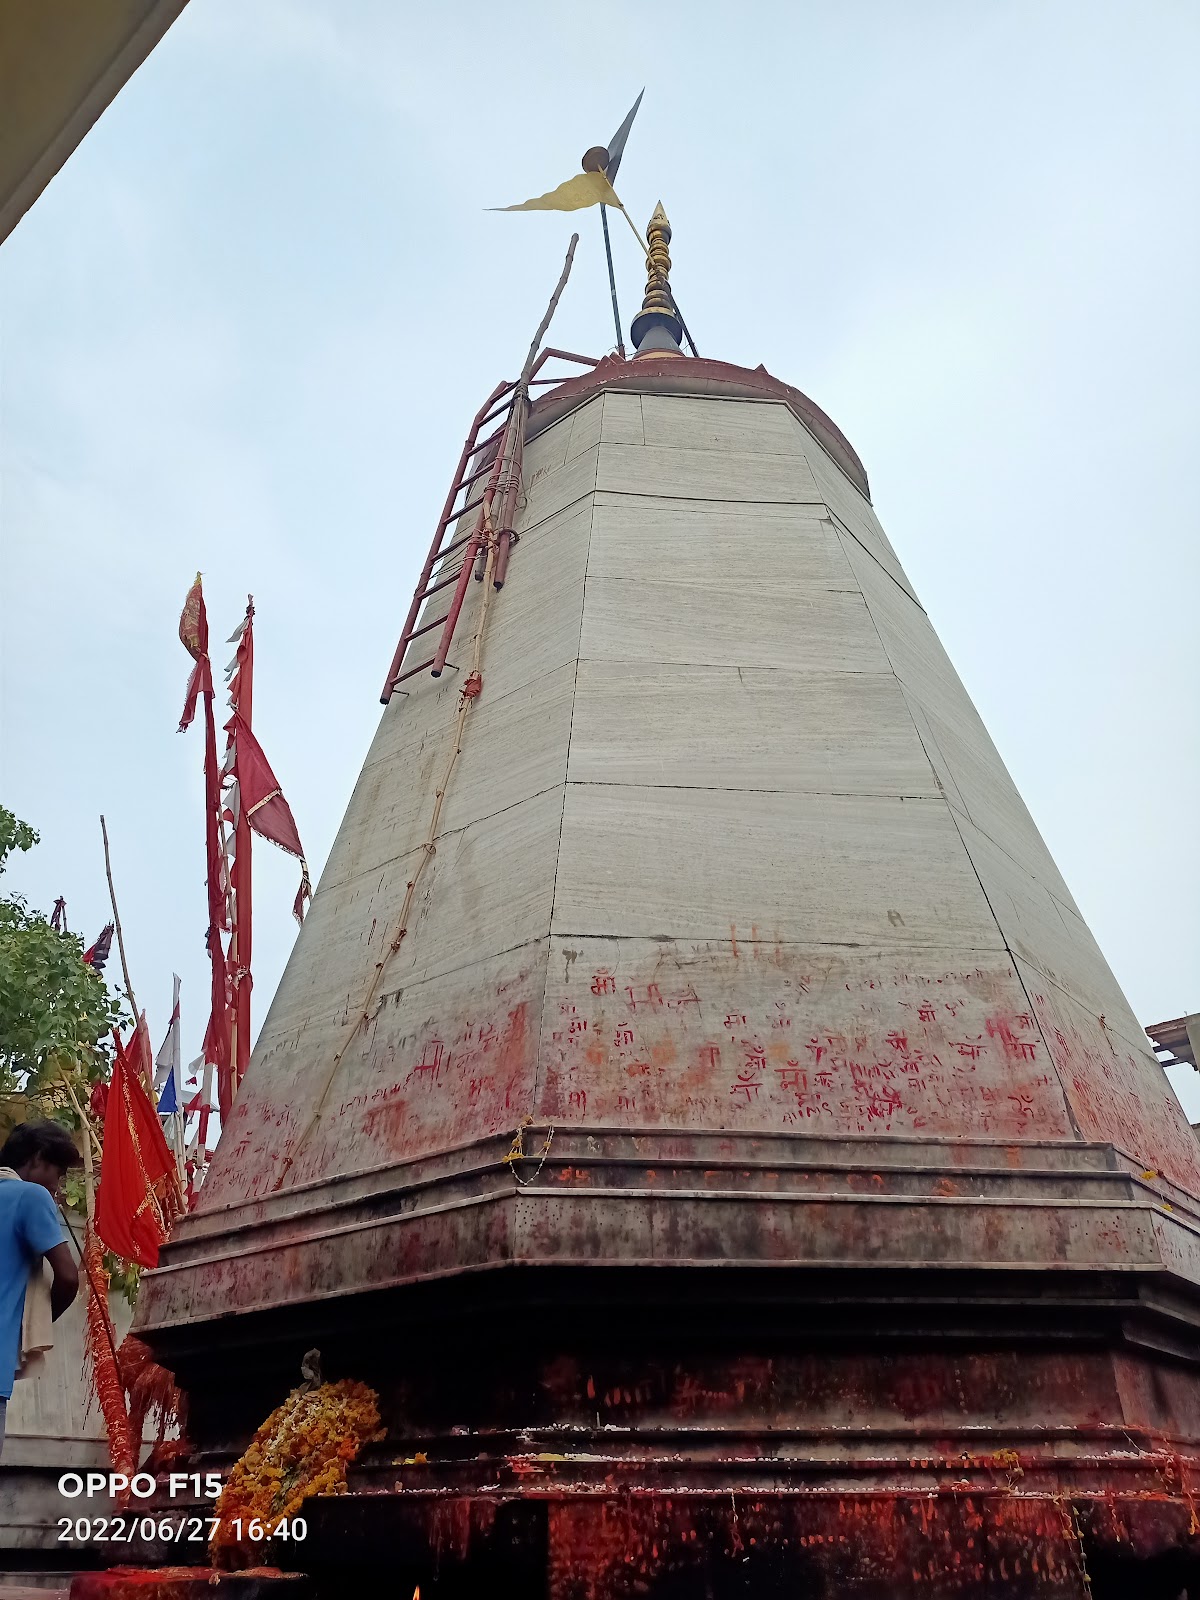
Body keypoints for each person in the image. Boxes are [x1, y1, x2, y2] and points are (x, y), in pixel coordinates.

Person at [0, 1121, 81, 1456]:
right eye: (58, 1172)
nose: (57, 1185)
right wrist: (39, 1323)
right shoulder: (29, 1196)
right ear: (36, 1159)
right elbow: (68, 1276)